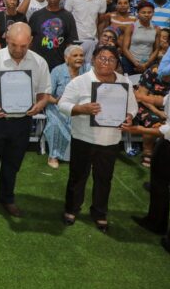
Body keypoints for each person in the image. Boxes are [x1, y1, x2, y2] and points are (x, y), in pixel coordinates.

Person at [0, 22, 51, 217]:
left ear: (30, 41)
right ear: (6, 39)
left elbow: (44, 93)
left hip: (22, 122)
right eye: (14, 45)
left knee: (13, 163)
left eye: (23, 46)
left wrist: (39, 105)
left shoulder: (39, 63)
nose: (18, 50)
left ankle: (7, 198)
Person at [58, 45, 137, 232]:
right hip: (83, 138)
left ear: (117, 63)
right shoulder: (81, 82)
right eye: (102, 58)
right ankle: (71, 209)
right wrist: (80, 109)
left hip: (110, 140)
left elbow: (132, 107)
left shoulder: (124, 82)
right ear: (93, 59)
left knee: (104, 179)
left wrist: (129, 117)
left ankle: (100, 213)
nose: (106, 62)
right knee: (78, 176)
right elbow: (62, 104)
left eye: (111, 59)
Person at [128, 44, 170, 258]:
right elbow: (165, 100)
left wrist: (139, 130)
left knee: (160, 182)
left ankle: (158, 224)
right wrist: (145, 98)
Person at [43, 45, 89, 169]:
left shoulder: (87, 70)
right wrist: (56, 101)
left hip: (80, 107)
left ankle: (84, 156)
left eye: (81, 55)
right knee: (55, 124)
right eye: (75, 55)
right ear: (66, 58)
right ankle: (53, 156)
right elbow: (47, 94)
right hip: (57, 106)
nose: (79, 58)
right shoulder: (57, 71)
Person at [28, 0, 79, 70]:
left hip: (59, 65)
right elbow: (29, 40)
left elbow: (71, 42)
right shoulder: (36, 15)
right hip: (37, 64)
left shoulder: (68, 17)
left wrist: (68, 63)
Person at [121, 1, 159, 74]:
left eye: (149, 12)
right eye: (143, 12)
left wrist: (146, 64)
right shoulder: (131, 27)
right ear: (138, 13)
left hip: (147, 63)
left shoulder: (156, 29)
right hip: (130, 62)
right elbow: (125, 48)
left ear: (153, 13)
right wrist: (136, 63)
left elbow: (156, 49)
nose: (146, 15)